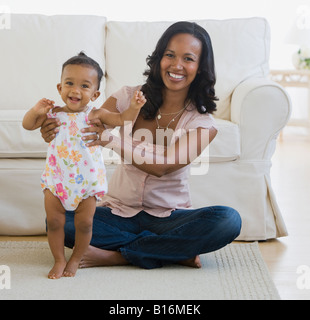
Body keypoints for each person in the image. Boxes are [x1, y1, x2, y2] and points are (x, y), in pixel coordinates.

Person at [40, 22, 242, 270]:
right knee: (59, 220)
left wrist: (112, 140)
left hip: (169, 217)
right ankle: (172, 251)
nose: (176, 65)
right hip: (117, 213)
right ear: (159, 59)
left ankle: (118, 256)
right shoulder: (128, 97)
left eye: (188, 59)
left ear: (200, 68)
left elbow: (164, 167)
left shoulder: (202, 123)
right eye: (169, 55)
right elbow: (89, 120)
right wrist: (56, 127)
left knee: (227, 221)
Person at [22, 52, 146, 278]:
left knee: (85, 224)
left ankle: (77, 258)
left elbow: (122, 120)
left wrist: (135, 107)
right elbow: (28, 124)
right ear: (59, 87)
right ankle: (59, 259)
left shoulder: (96, 115)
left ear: (95, 94)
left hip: (87, 184)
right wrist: (36, 110)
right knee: (55, 221)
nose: (75, 90)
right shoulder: (53, 114)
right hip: (56, 180)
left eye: (84, 85)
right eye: (69, 83)